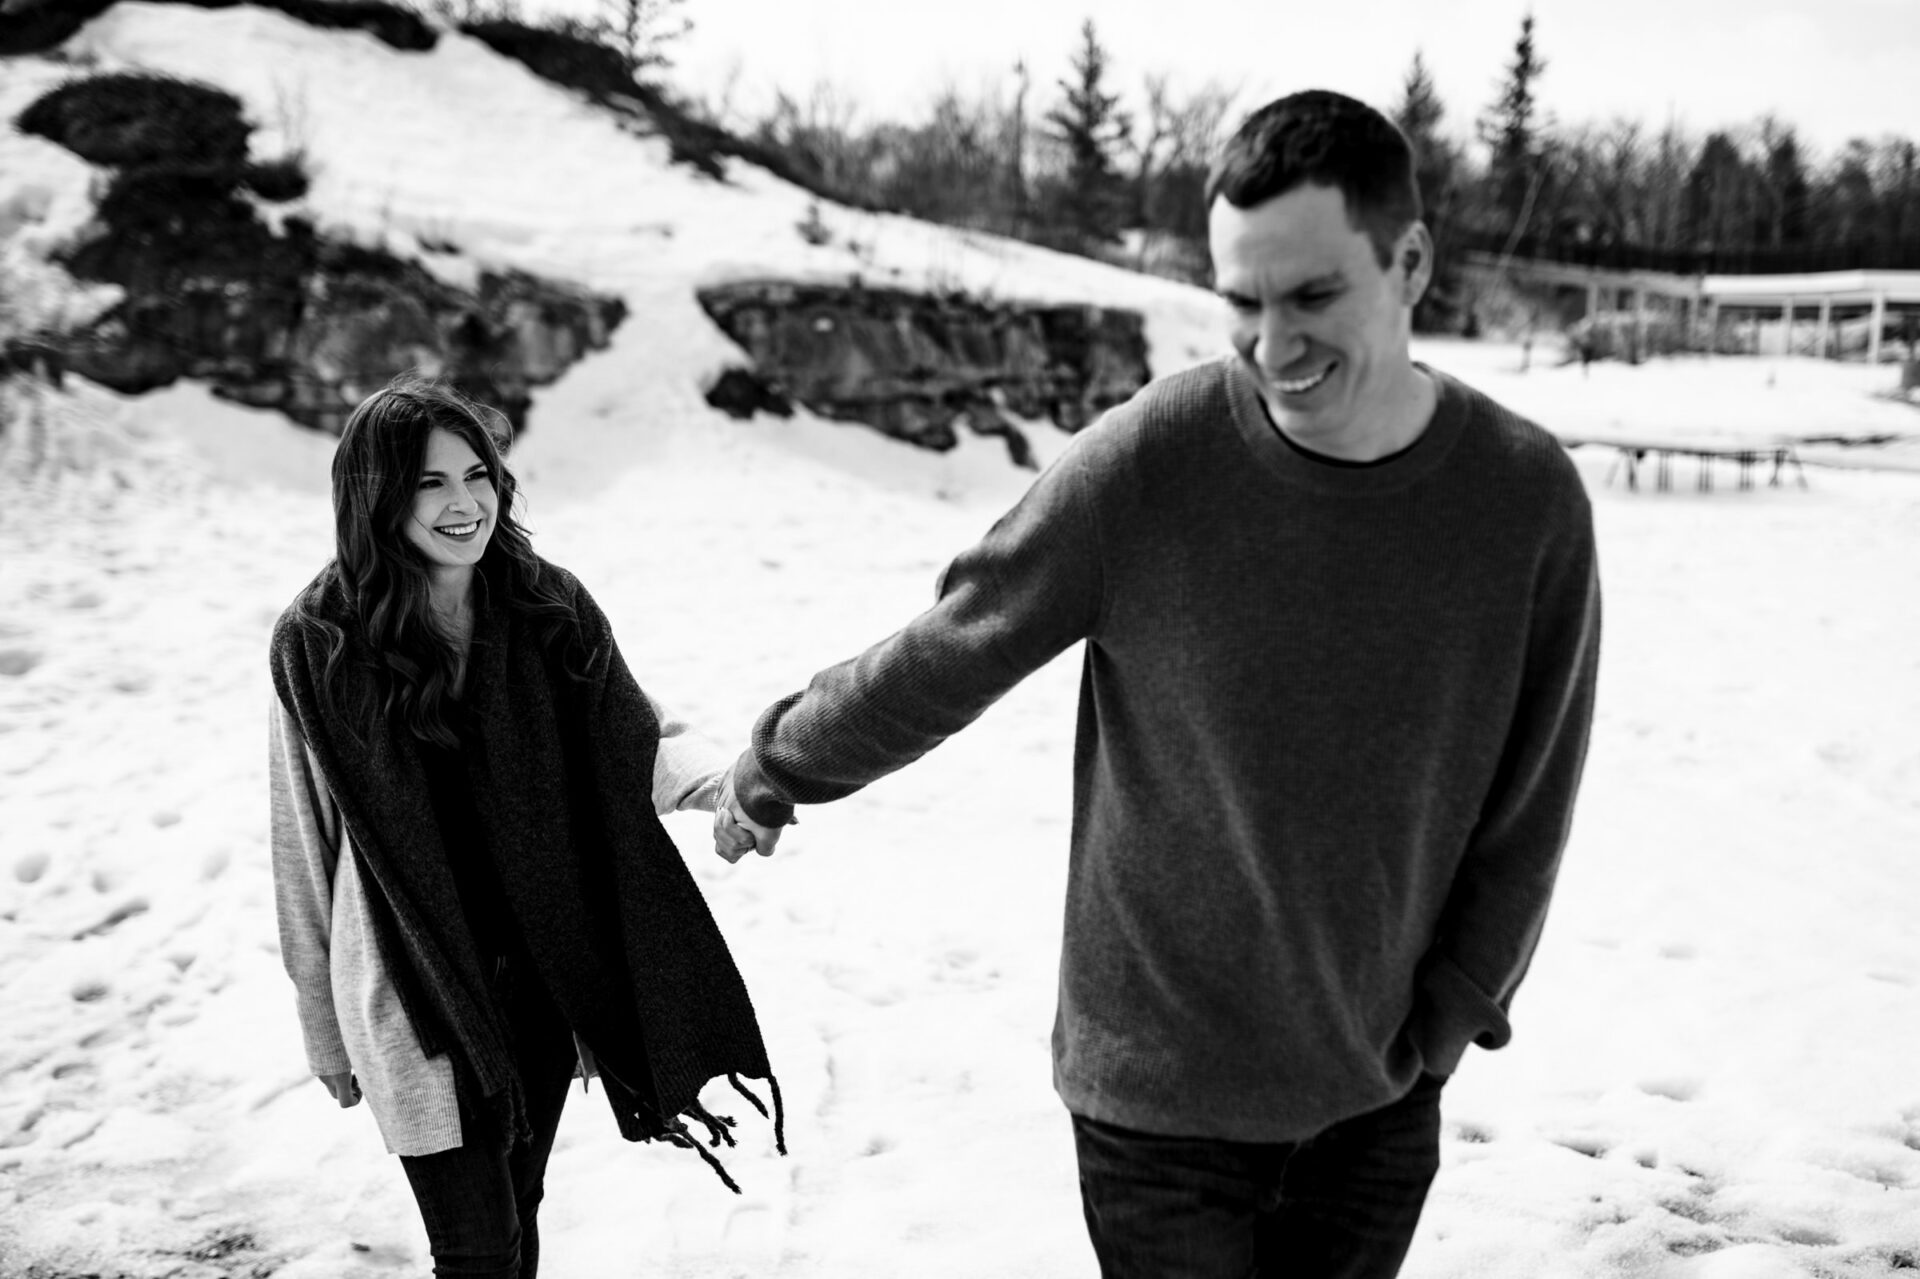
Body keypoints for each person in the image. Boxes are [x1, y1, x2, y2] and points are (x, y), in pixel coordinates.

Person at [713, 90, 1601, 1278]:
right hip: (1156, 1108)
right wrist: (780, 761)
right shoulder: (1156, 460)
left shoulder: (1524, 502)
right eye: (1242, 302)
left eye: (1314, 296)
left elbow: (1529, 800)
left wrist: (1451, 1015)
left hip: (1374, 1104)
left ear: (1412, 262)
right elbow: (958, 638)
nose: (1273, 347)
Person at [269, 376, 781, 1279]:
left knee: (521, 1211)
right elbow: (303, 842)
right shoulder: (319, 642)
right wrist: (323, 1024)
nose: (464, 503)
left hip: (540, 974)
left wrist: (726, 787)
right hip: (415, 986)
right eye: (430, 483)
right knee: (475, 1246)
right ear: (376, 494)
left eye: (479, 474)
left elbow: (629, 742)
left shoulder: (546, 606)